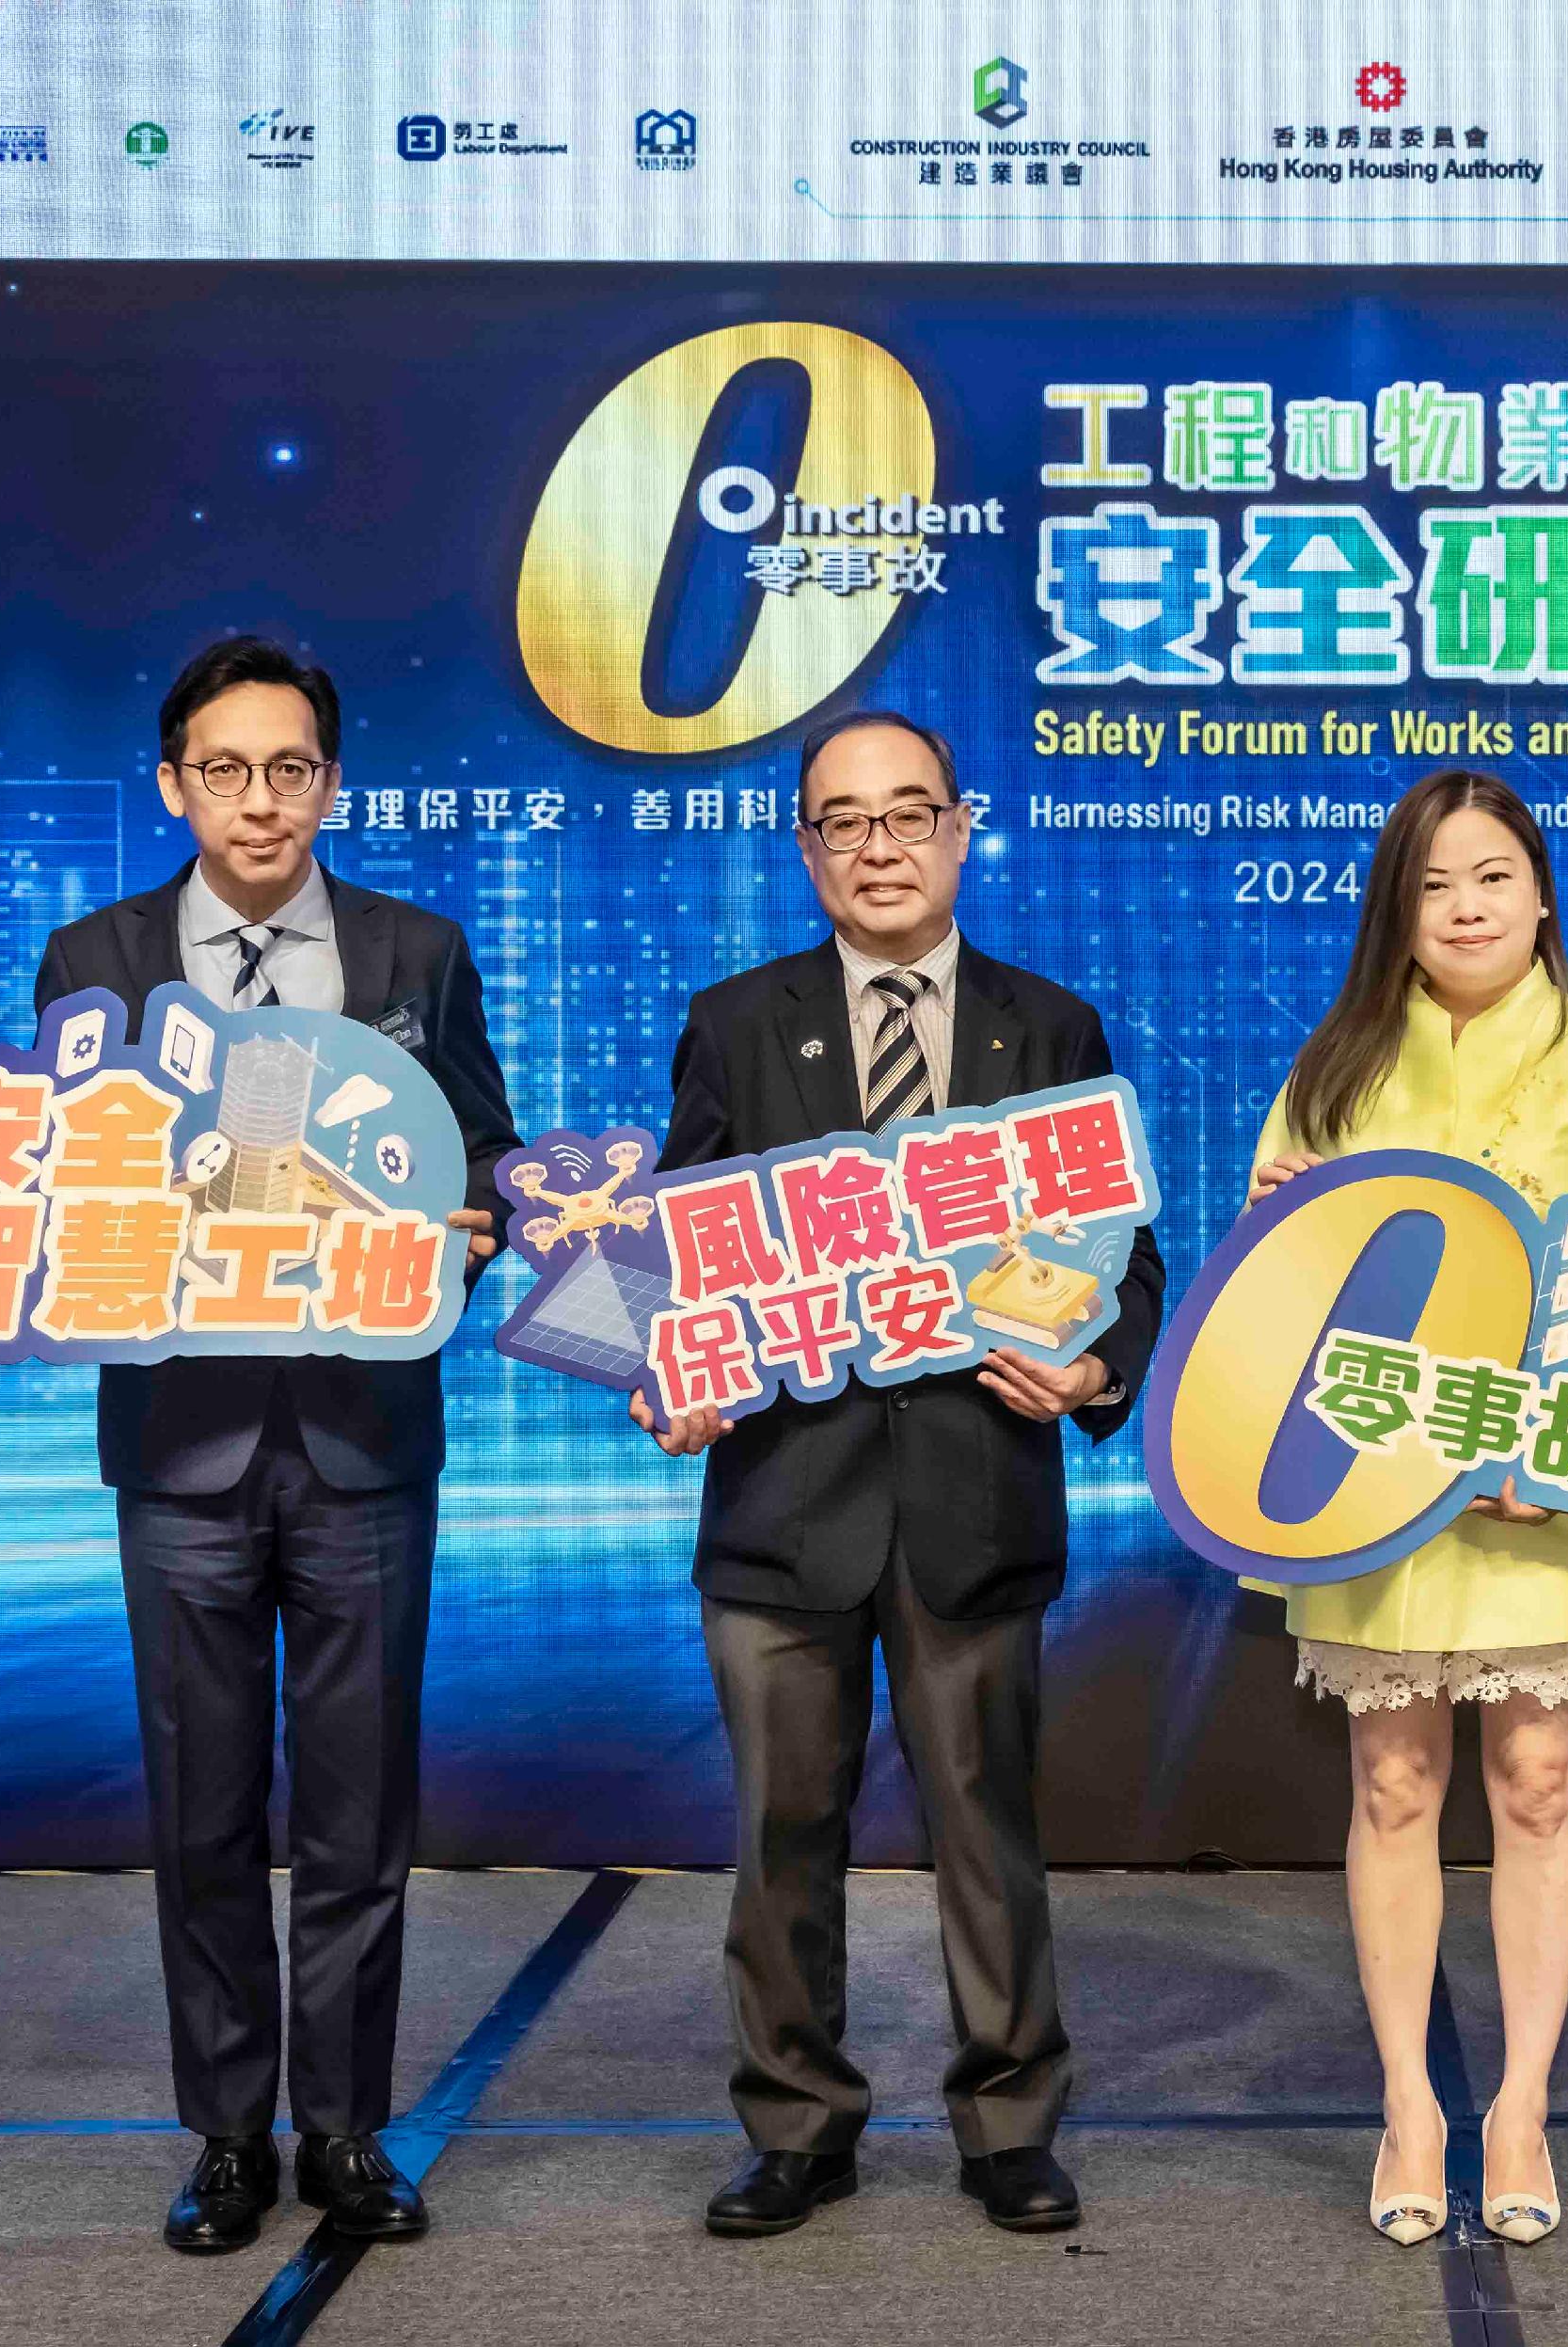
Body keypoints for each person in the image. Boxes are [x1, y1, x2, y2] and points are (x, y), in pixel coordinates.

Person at [0, 635, 517, 2253]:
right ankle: (228, 2133)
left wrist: (483, 1213)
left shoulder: (413, 949)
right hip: (179, 1446)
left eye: (290, 769)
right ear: (172, 785)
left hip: (366, 1435)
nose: (259, 801)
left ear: (331, 784)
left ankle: (347, 2132)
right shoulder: (91, 953)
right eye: (224, 770)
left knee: (360, 1815)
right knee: (201, 1807)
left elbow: (488, 1148)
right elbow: (57, 1178)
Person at [638, 708, 1163, 2243]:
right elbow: (686, 1251)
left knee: (988, 1834)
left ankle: (1009, 2121)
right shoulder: (738, 1022)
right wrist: (672, 1371)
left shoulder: (1048, 1027)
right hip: (782, 1504)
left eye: (907, 813)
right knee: (777, 1839)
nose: (879, 845)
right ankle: (796, 2126)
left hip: (972, 1500)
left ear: (959, 826)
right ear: (808, 847)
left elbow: (1126, 1264)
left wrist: (1092, 1370)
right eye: (843, 821)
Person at [1239, 769, 1568, 2250]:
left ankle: (1518, 2106)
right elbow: (1261, 1301)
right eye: (1437, 884)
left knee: (1539, 1785)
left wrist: (1562, 1450)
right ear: (1400, 907)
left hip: (1546, 1481)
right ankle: (1408, 2104)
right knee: (1389, 1788)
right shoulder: (1335, 1067)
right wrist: (1281, 1224)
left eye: (1494, 877)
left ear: (1543, 895)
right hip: (1382, 1482)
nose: (1466, 906)